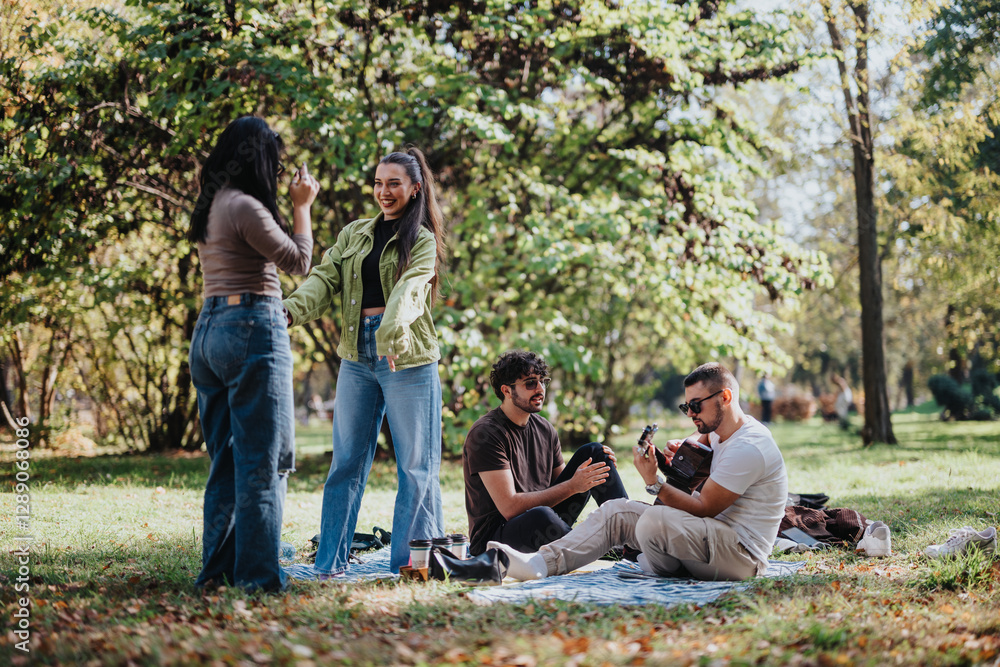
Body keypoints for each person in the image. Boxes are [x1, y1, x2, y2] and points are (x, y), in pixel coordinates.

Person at [283, 147, 447, 576]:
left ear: (415, 189)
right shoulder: (355, 233)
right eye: (378, 182)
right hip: (357, 355)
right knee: (346, 463)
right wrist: (290, 311)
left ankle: (409, 566)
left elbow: (411, 291)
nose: (384, 191)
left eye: (394, 183)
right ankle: (329, 564)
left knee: (415, 466)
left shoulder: (423, 240)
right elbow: (323, 278)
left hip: (406, 358)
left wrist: (391, 333)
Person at [490, 362, 787, 583]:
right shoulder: (722, 431)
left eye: (696, 405)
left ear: (725, 397)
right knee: (616, 510)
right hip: (705, 540)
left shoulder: (749, 446)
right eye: (686, 406)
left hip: (740, 556)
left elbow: (703, 507)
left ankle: (663, 564)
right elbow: (705, 442)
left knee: (656, 521)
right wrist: (682, 448)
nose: (691, 414)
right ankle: (538, 564)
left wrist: (653, 481)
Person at [187, 116, 320, 592]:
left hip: (209, 329)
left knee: (225, 461)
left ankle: (217, 574)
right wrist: (302, 206)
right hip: (251, 328)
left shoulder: (211, 204)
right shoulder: (244, 206)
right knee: (265, 461)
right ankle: (260, 580)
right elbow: (298, 261)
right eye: (275, 161)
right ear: (258, 159)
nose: (279, 170)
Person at [464, 350, 628, 557]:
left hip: (546, 521)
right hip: (497, 537)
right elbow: (510, 508)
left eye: (543, 381)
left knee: (594, 453)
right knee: (541, 516)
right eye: (530, 383)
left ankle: (631, 540)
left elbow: (562, 488)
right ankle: (599, 550)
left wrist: (591, 474)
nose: (540, 389)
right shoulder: (487, 433)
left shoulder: (544, 428)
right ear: (506, 390)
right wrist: (573, 485)